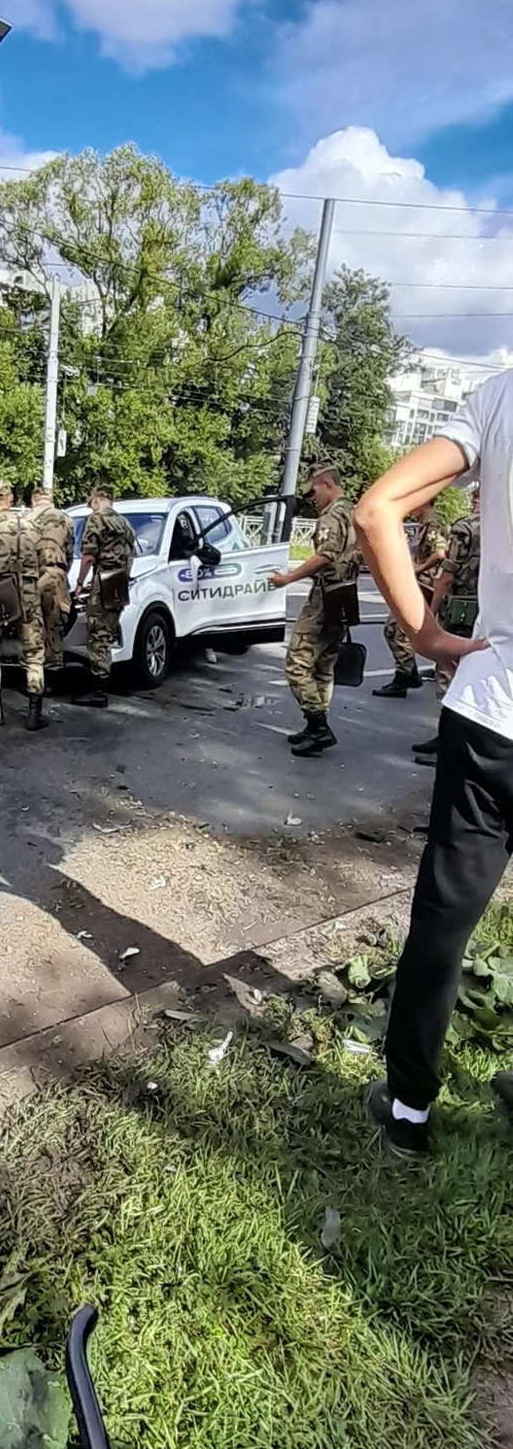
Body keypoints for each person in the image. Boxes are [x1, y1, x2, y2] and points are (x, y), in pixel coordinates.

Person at [353, 381, 502, 1160]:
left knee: (444, 923)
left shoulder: (499, 402)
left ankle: (409, 1112)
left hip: (496, 717)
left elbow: (377, 509)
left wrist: (426, 635)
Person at [271, 461, 358, 757]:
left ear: (328, 485)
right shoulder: (354, 512)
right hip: (345, 595)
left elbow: (325, 555)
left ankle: (318, 726)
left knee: (297, 661)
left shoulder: (332, 516)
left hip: (325, 597)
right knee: (323, 665)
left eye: (314, 491)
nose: (312, 498)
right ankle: (315, 727)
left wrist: (288, 578)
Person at [0, 480, 47, 731]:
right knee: (34, 653)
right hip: (29, 593)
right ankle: (34, 713)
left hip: (1, 593)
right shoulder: (31, 524)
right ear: (10, 498)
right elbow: (44, 562)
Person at [412, 490, 481, 767]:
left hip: (459, 609)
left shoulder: (465, 527)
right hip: (488, 612)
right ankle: (451, 740)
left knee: (448, 673)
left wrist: (430, 610)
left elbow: (447, 576)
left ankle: (450, 744)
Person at [372, 500, 448, 698]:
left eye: (412, 505)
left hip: (424, 585)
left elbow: (440, 552)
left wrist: (419, 568)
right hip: (420, 585)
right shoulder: (427, 524)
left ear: (422, 504)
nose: (409, 509)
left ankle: (403, 677)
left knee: (395, 630)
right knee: (398, 630)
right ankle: (408, 673)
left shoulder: (433, 524)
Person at [71, 486, 135, 708]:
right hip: (119, 582)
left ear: (97, 500)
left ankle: (98, 691)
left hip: (104, 580)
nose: (91, 507)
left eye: (91, 504)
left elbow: (88, 556)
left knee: (97, 634)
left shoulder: (96, 520)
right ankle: (102, 683)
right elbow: (130, 555)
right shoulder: (124, 523)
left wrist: (80, 582)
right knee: (107, 633)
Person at [25, 486, 75, 686]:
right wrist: (62, 571)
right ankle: (53, 677)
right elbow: (70, 551)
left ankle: (33, 675)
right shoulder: (65, 519)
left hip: (29, 577)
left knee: (31, 625)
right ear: (52, 501)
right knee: (54, 625)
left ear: (33, 501)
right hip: (55, 574)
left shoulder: (25, 519)